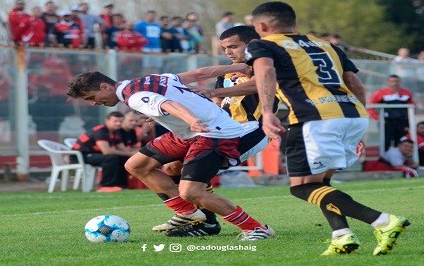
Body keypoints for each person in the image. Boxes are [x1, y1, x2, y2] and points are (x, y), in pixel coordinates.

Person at [249, 1, 408, 255]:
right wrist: (359, 124)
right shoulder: (327, 45)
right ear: (295, 24)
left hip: (313, 118)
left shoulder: (263, 44)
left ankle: (383, 221)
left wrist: (267, 112)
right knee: (322, 181)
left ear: (261, 26)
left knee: (302, 186)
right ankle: (342, 236)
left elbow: (265, 72)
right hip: (352, 113)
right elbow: (354, 83)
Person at [66, 63, 275, 241]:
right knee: (136, 165)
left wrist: (192, 120)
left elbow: (169, 103)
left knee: (191, 192)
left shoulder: (135, 96)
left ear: (105, 86)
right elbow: (198, 74)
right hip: (189, 132)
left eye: (92, 97)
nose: (93, 103)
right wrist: (243, 66)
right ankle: (188, 212)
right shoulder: (149, 80)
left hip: (213, 133)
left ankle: (257, 229)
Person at [158, 25, 274, 237]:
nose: (228, 52)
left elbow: (257, 86)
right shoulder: (228, 72)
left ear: (251, 44)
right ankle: (207, 223)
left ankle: (255, 229)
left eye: (233, 46)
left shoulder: (264, 65)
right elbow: (216, 105)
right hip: (224, 130)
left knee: (191, 182)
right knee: (174, 167)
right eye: (224, 48)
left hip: (252, 129)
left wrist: (213, 91)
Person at [71, 111, 137, 192]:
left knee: (123, 158)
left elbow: (122, 149)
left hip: (94, 154)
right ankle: (106, 186)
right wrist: (129, 153)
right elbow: (107, 151)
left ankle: (121, 185)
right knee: (110, 159)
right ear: (107, 120)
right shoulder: (100, 131)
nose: (118, 124)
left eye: (120, 121)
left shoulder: (115, 132)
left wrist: (136, 153)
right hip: (80, 156)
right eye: (115, 121)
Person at [368, 75, 415, 152]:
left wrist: (409, 122)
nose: (394, 83)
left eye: (396, 81)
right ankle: (385, 162)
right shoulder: (381, 93)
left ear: (400, 82)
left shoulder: (406, 93)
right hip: (386, 122)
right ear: (388, 82)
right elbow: (370, 107)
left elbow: (412, 108)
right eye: (392, 81)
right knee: (386, 142)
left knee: (402, 142)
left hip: (402, 122)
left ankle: (400, 162)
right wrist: (378, 118)